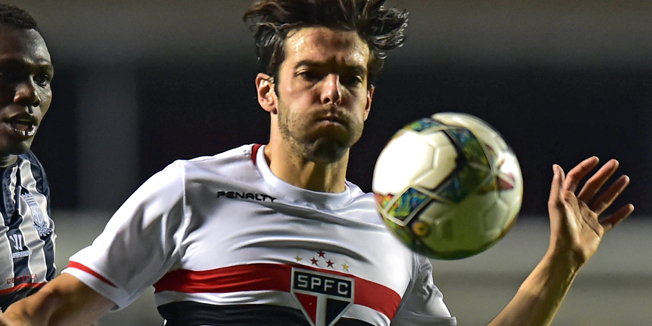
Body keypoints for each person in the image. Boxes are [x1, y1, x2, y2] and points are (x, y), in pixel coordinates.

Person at [0, 0, 634, 325]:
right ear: (267, 92)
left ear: (369, 100)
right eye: (311, 73)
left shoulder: (396, 233)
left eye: (350, 77)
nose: (333, 90)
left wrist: (561, 264)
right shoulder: (192, 190)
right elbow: (45, 314)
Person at [0, 4, 56, 312]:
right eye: (10, 74)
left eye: (42, 78)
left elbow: (38, 304)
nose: (30, 94)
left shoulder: (30, 171)